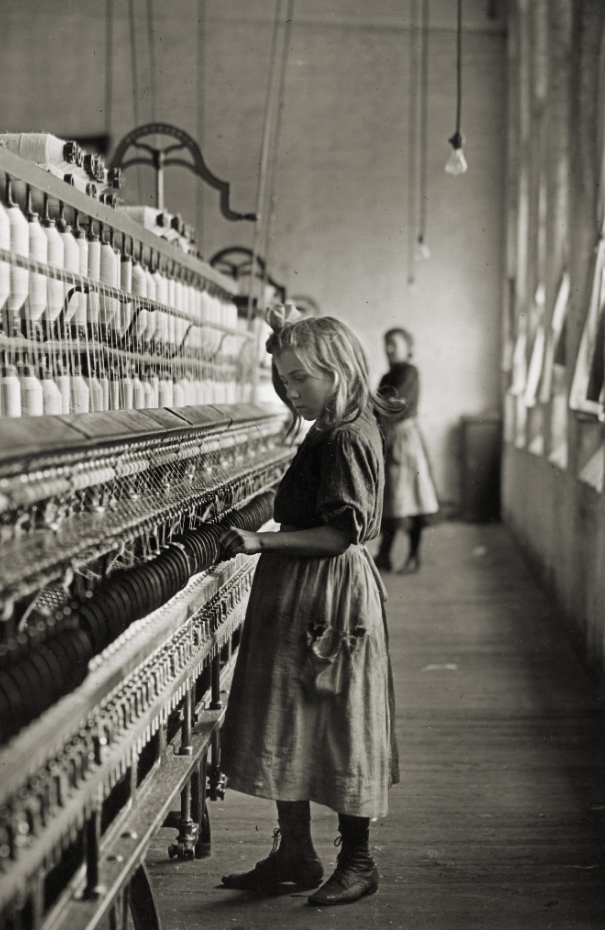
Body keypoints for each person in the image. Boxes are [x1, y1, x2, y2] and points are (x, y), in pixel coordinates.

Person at [216, 307, 400, 907]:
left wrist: (257, 540)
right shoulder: (327, 427)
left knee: (340, 722)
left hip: (329, 591)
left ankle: (359, 861)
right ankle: (294, 853)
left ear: (339, 371)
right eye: (283, 379)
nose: (289, 391)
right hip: (301, 590)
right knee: (287, 715)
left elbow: (339, 534)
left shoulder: (345, 435)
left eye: (301, 378)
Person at [375, 327, 439, 574]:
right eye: (386, 344)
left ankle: (413, 556)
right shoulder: (386, 376)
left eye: (394, 344)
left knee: (412, 500)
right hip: (390, 439)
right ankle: (385, 555)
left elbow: (393, 404)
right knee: (392, 499)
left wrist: (371, 407)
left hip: (405, 441)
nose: (389, 349)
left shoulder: (410, 373)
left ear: (408, 348)